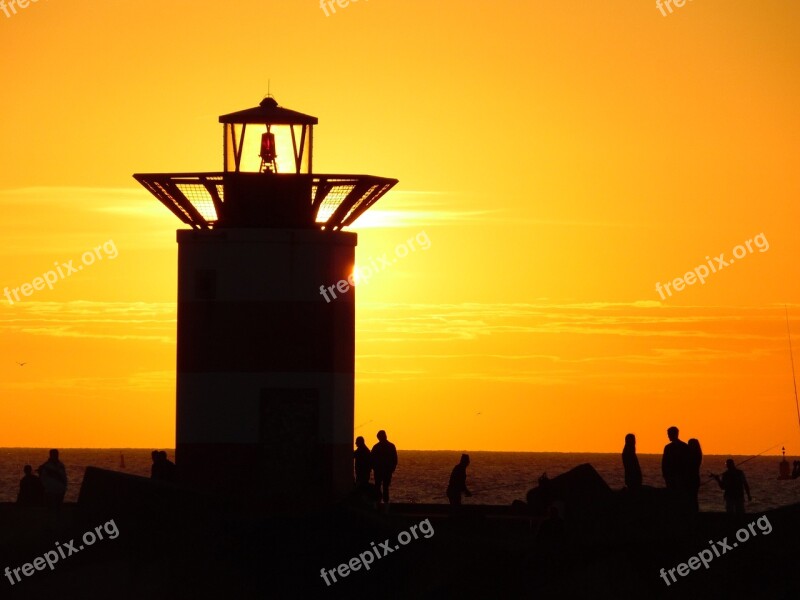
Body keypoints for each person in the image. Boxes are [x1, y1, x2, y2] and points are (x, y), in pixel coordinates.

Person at [371, 430, 398, 504]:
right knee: (385, 488)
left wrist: (374, 468)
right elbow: (395, 459)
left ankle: (377, 503)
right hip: (387, 471)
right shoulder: (391, 446)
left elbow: (372, 459)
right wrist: (392, 469)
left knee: (377, 487)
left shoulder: (376, 447)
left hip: (379, 471)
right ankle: (385, 504)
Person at [687, 438, 703, 512]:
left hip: (692, 478)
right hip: (695, 478)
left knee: (692, 497)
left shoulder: (693, 455)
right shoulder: (698, 454)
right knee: (693, 497)